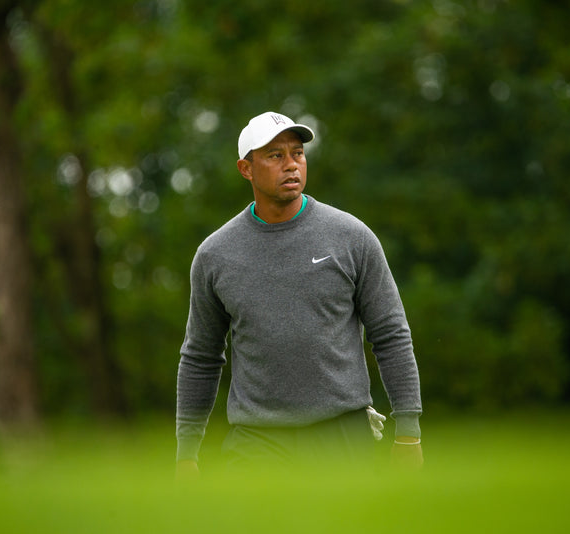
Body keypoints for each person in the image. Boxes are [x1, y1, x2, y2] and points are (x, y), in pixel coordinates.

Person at [175, 111, 422, 479]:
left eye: (297, 154)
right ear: (246, 168)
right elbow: (201, 357)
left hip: (342, 435)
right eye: (275, 156)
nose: (291, 165)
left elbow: (391, 335)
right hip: (255, 441)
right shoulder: (215, 255)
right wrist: (186, 454)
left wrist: (409, 434)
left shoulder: (351, 237)